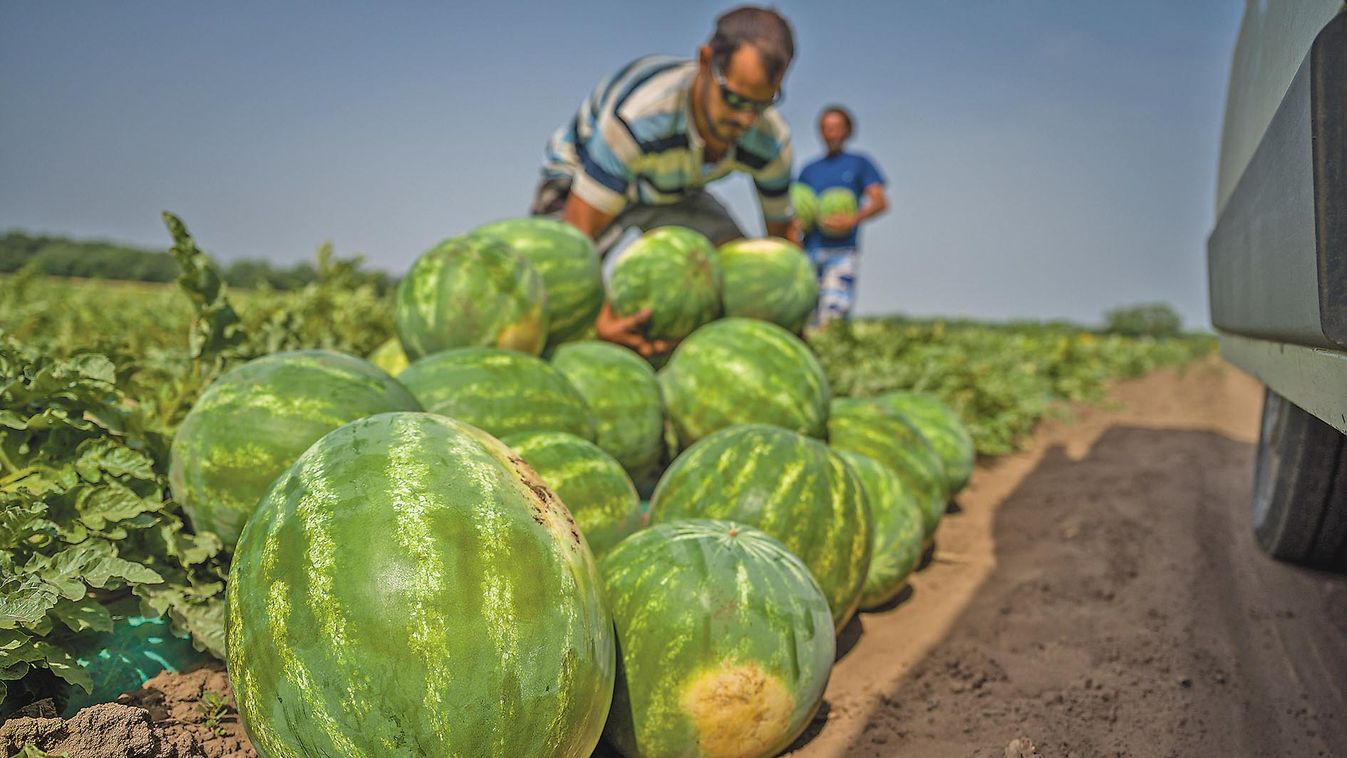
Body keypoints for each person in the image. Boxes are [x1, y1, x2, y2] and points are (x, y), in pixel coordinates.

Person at [531, 5, 798, 357]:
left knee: (728, 275)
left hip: (675, 188)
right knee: (549, 293)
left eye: (762, 103)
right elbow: (576, 238)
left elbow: (781, 248)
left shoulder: (770, 141)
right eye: (734, 99)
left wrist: (788, 313)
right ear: (705, 61)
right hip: (586, 178)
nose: (745, 119)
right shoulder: (641, 117)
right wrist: (595, 318)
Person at [797, 105, 889, 328]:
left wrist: (852, 219)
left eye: (837, 128)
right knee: (805, 315)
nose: (832, 134)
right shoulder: (809, 170)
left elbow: (880, 201)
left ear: (848, 131)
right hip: (810, 250)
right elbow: (796, 208)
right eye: (827, 128)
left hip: (842, 251)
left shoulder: (860, 164)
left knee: (834, 314)